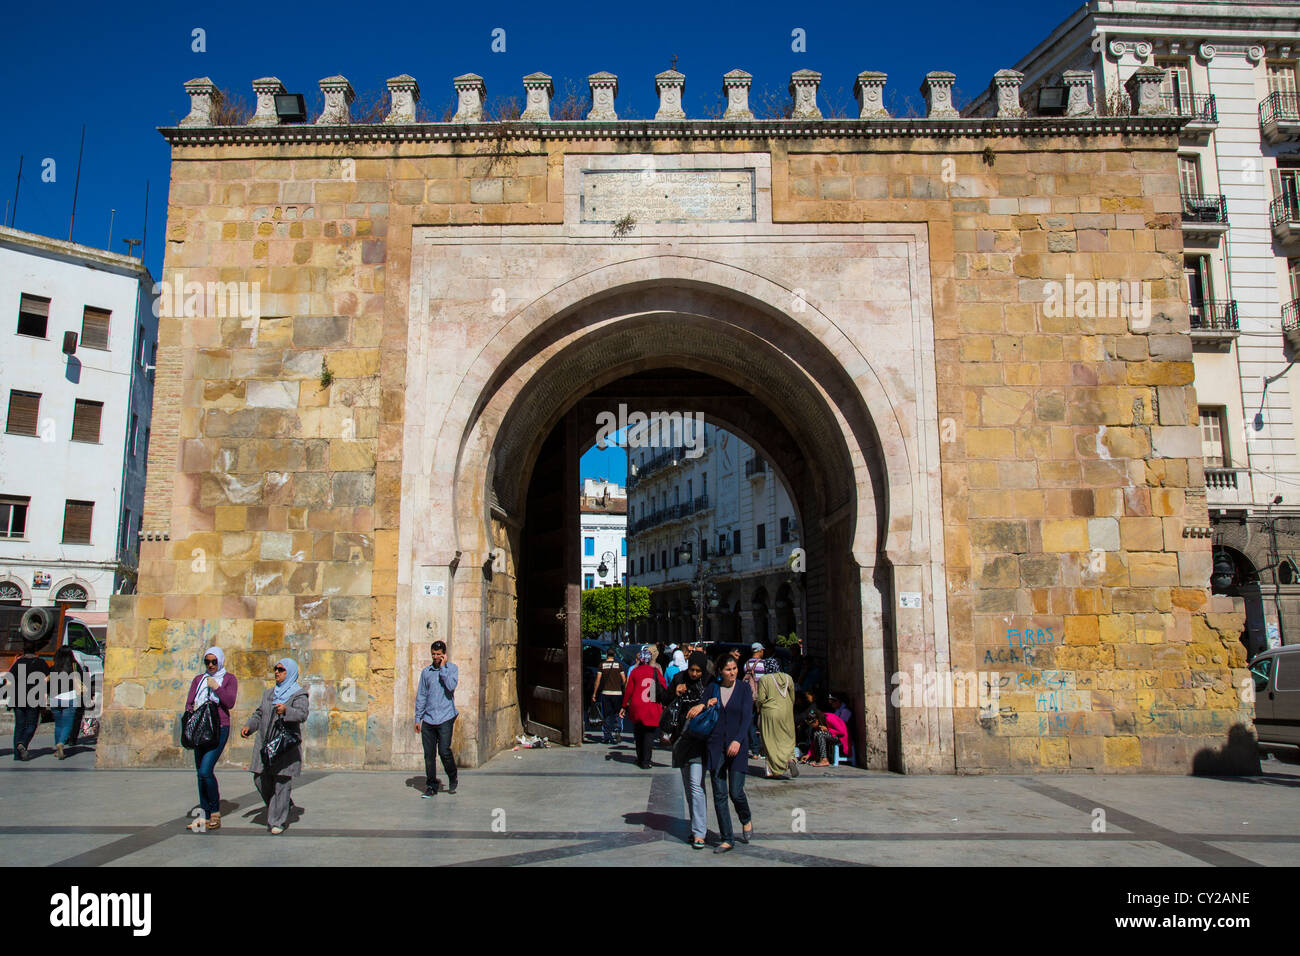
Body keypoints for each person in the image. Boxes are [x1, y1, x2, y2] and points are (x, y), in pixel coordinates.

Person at [241, 657, 309, 834]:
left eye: (281, 670)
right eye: (276, 669)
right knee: (259, 778)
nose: (277, 672)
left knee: (281, 781)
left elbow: (302, 714)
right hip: (265, 743)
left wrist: (287, 711)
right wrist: (250, 726)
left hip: (284, 746)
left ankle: (277, 820)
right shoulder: (269, 694)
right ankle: (281, 805)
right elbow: (259, 713)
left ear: (290, 673)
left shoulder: (298, 694)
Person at [184, 646, 238, 829]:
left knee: (206, 770)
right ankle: (205, 815)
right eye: (207, 661)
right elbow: (189, 703)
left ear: (220, 661)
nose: (211, 665)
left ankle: (214, 812)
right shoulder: (199, 679)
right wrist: (192, 712)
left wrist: (217, 687)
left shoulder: (229, 679)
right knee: (200, 772)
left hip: (219, 727)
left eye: (214, 661)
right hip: (200, 727)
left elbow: (230, 702)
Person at [705, 654, 753, 853]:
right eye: (728, 669)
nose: (732, 672)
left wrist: (738, 740)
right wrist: (706, 704)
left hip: (737, 746)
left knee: (735, 791)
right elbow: (702, 710)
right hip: (716, 746)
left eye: (734, 668)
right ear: (720, 672)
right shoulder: (712, 689)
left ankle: (745, 817)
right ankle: (726, 838)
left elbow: (747, 717)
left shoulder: (743, 689)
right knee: (719, 794)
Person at [669, 651, 711, 849]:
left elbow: (718, 701)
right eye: (692, 670)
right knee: (688, 786)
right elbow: (663, 699)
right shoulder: (679, 678)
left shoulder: (710, 682)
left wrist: (706, 704)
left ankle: (700, 832)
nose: (694, 674)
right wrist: (673, 691)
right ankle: (696, 827)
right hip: (681, 738)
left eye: (698, 671)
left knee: (696, 785)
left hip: (700, 740)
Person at [414, 640, 459, 797]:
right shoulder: (426, 672)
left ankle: (452, 776)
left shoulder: (452, 669)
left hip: (446, 716)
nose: (436, 657)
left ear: (444, 654)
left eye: (439, 654)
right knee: (429, 755)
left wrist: (443, 669)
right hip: (429, 718)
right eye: (433, 654)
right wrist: (418, 718)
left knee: (444, 751)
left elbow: (451, 686)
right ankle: (431, 785)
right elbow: (421, 695)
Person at [620, 645, 667, 769]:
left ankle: (640, 758)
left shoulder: (635, 672)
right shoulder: (655, 672)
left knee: (638, 733)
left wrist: (624, 706)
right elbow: (663, 688)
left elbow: (629, 691)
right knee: (649, 735)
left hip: (637, 706)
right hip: (651, 705)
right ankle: (646, 760)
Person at [755, 659, 799, 779]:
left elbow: (761, 698)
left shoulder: (765, 679)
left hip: (770, 712)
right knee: (787, 738)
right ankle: (790, 759)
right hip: (787, 712)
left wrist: (757, 707)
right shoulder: (788, 678)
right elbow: (792, 697)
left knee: (771, 740)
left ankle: (775, 769)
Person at [8, 641, 49, 761]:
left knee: (19, 726)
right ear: (35, 651)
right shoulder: (40, 663)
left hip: (17, 698)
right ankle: (23, 743)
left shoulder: (18, 662)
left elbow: (9, 680)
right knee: (31, 725)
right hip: (34, 697)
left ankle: (17, 755)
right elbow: (46, 679)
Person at [49, 647, 85, 760]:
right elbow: (82, 679)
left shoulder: (54, 667)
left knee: (58, 724)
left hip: (55, 698)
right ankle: (61, 743)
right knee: (68, 724)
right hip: (70, 698)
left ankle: (57, 747)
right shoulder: (74, 666)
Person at [591, 647, 625, 744]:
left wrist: (594, 693)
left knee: (606, 715)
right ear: (614, 655)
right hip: (617, 693)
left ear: (606, 654)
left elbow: (597, 680)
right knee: (618, 714)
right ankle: (617, 731)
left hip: (606, 693)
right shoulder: (619, 665)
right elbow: (624, 680)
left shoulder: (602, 665)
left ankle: (606, 735)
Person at [743, 643, 768, 757]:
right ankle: (765, 748)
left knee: (751, 722)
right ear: (760, 651)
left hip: (750, 697)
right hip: (761, 697)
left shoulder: (746, 664)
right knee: (763, 721)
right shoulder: (763, 664)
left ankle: (755, 750)